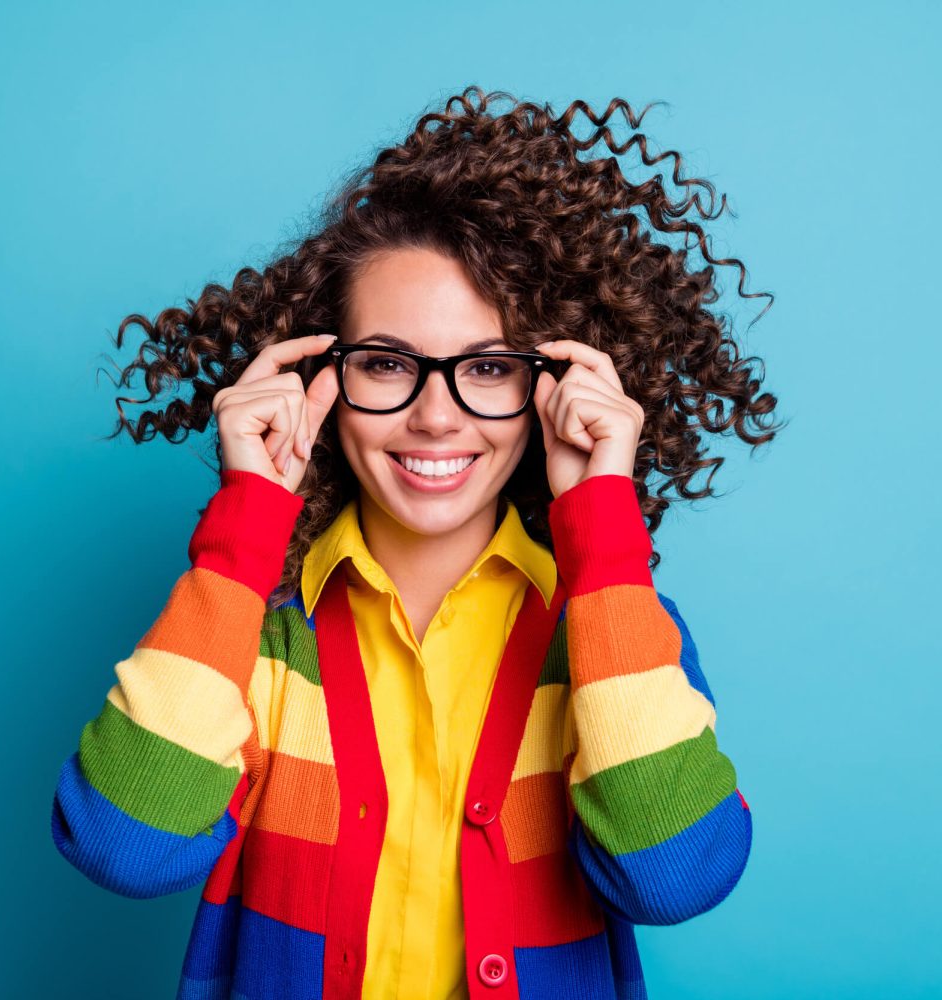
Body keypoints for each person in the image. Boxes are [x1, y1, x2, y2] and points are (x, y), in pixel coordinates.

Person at [51, 86, 781, 999]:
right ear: (322, 377)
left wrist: (601, 520)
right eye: (389, 364)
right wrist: (244, 529)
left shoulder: (610, 628)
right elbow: (126, 847)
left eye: (487, 368)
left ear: (548, 392)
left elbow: (676, 875)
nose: (435, 417)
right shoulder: (255, 628)